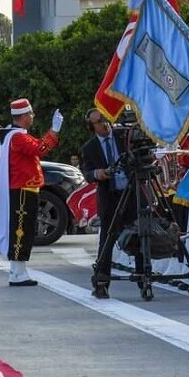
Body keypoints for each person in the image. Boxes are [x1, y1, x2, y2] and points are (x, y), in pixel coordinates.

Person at [0, 98, 63, 286]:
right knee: (21, 230)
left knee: (25, 229)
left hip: (26, 188)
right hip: (22, 189)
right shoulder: (18, 137)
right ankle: (17, 271)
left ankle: (19, 270)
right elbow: (40, 149)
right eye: (30, 114)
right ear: (23, 116)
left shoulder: (18, 135)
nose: (32, 117)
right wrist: (54, 131)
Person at [80, 108, 135, 299]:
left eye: (105, 119)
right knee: (107, 240)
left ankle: (145, 274)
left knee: (141, 233)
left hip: (131, 194)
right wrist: (99, 173)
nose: (104, 123)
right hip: (110, 197)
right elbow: (87, 173)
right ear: (91, 127)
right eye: (98, 121)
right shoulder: (90, 147)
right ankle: (102, 283)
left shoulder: (123, 136)